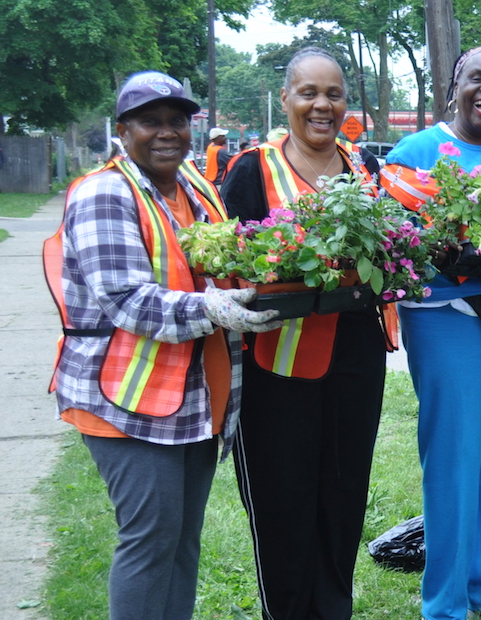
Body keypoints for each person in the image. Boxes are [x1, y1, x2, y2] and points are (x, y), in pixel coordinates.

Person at [44, 71, 279, 620]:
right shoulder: (105, 192)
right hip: (123, 397)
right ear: (124, 130)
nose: (167, 132)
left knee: (180, 541)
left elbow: (226, 261)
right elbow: (127, 301)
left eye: (178, 121)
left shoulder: (193, 186)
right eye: (151, 122)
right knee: (150, 541)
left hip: (189, 396)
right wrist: (216, 307)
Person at [216, 47, 389, 620]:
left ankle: (333, 607)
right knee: (282, 499)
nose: (322, 105)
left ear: (347, 103)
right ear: (286, 97)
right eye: (309, 93)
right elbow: (230, 264)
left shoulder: (365, 168)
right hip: (274, 364)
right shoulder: (249, 169)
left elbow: (390, 256)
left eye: (334, 93)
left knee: (343, 495)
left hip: (354, 357)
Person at [379, 46, 481, 620]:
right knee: (454, 463)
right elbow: (393, 248)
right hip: (447, 319)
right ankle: (445, 605)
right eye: (478, 78)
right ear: (454, 85)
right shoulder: (416, 153)